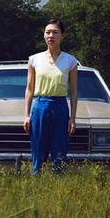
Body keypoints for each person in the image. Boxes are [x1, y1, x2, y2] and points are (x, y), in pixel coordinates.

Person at [23, 19, 78, 174]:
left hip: (59, 106)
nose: (51, 35)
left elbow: (73, 90)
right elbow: (29, 88)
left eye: (55, 32)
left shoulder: (70, 61)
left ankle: (59, 180)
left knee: (59, 146)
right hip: (40, 105)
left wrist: (72, 117)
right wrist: (26, 115)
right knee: (38, 145)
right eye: (48, 32)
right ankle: (37, 177)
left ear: (62, 36)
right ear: (44, 36)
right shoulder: (34, 59)